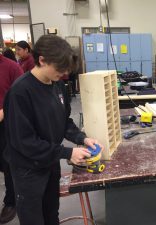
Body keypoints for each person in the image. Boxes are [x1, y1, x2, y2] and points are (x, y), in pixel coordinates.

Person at [3, 35, 99, 225]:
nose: (64, 73)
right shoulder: (20, 92)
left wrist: (82, 138)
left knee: (51, 213)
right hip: (28, 169)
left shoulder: (59, 86)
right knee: (33, 219)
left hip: (50, 162)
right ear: (42, 60)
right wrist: (67, 152)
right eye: (60, 68)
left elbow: (64, 122)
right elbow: (25, 142)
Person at [0, 53, 23, 224]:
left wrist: (4, 111)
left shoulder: (12, 67)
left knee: (7, 162)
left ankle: (11, 201)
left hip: (4, 124)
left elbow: (22, 98)